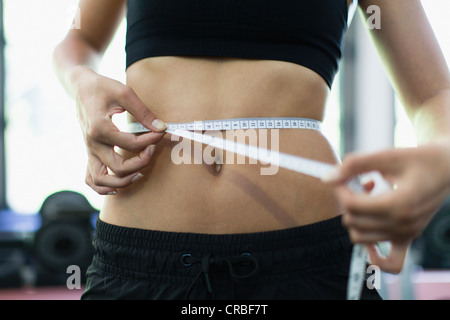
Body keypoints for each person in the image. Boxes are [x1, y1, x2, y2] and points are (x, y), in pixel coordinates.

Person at [53, 0, 450, 299]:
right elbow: (80, 40)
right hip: (140, 263)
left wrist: (439, 162)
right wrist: (80, 82)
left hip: (309, 262)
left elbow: (434, 94)